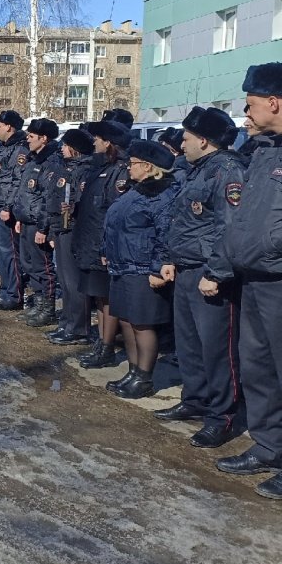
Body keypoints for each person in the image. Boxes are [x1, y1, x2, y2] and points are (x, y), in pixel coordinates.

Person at [156, 107, 245, 448]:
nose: (182, 142)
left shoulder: (227, 170)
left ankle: (221, 416)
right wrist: (170, 259)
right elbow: (184, 221)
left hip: (210, 275)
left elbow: (230, 227)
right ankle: (195, 399)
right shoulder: (197, 170)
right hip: (187, 268)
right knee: (189, 343)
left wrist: (217, 273)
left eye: (187, 137)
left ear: (204, 141)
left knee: (217, 350)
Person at [220, 62, 282, 499]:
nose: (246, 114)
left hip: (279, 277)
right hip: (254, 277)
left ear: (274, 103)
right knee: (258, 366)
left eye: (251, 104)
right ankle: (269, 445)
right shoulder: (263, 151)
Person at [102, 140, 179, 399]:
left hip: (142, 266)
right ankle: (134, 372)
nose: (128, 168)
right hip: (123, 265)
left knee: (142, 324)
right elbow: (116, 225)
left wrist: (158, 267)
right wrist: (107, 252)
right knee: (126, 320)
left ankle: (144, 377)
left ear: (148, 166)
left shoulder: (161, 194)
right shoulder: (137, 190)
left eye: (133, 163)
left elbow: (165, 234)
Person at [73, 119, 132, 368]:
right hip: (90, 242)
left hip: (102, 246)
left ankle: (107, 347)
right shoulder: (98, 167)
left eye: (97, 139)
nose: (94, 142)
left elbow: (114, 213)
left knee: (107, 299)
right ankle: (101, 342)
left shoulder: (120, 170)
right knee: (98, 297)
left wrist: (105, 246)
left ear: (108, 142)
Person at [44, 128, 96, 345]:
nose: (62, 149)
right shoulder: (66, 168)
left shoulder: (84, 170)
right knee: (64, 280)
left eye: (66, 146)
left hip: (73, 228)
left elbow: (85, 201)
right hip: (60, 227)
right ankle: (67, 321)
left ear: (75, 149)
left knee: (74, 281)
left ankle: (78, 328)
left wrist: (73, 206)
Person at [10, 118, 61, 327]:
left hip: (39, 224)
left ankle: (47, 308)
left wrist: (43, 227)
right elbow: (26, 193)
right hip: (27, 220)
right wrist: (20, 217)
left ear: (44, 138)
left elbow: (49, 199)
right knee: (29, 265)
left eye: (31, 137)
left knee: (43, 267)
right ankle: (37, 303)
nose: (27, 140)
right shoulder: (33, 160)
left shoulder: (52, 162)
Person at [0, 110, 28, 311]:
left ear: (9, 127)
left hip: (7, 208)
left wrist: (8, 206)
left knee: (10, 253)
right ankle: (6, 291)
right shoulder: (5, 148)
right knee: (1, 252)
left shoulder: (20, 150)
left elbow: (17, 180)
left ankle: (14, 295)